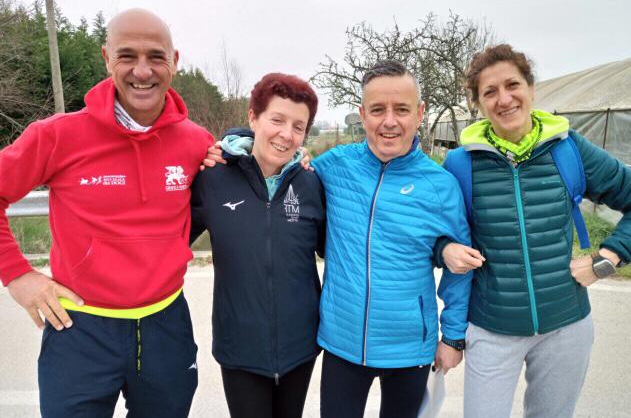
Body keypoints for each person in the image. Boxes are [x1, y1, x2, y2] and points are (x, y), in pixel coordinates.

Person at [0, 8, 214, 417]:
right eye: (127, 56)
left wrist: (296, 161)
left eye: (156, 57)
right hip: (79, 329)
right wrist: (17, 274)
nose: (142, 71)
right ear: (106, 58)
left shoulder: (196, 142)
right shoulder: (57, 135)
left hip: (166, 327)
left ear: (174, 61)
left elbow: (245, 180)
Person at [442, 44, 631, 418]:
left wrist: (607, 258)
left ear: (530, 87)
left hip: (566, 327)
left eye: (512, 85)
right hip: (491, 330)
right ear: (478, 103)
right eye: (490, 92)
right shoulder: (460, 164)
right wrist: (445, 248)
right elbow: (437, 234)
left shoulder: (568, 149)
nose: (504, 99)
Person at [312, 60, 477, 418]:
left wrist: (453, 337)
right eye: (377, 110)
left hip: (410, 349)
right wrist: (233, 147)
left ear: (419, 113)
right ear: (362, 115)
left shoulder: (440, 185)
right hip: (342, 343)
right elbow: (282, 165)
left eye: (401, 109)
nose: (389, 121)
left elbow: (462, 268)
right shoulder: (334, 166)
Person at [189, 73, 325, 418]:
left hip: (300, 346)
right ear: (253, 117)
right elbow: (166, 240)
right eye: (277, 120)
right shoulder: (212, 177)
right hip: (239, 347)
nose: (286, 134)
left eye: (298, 126)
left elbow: (334, 250)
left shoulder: (311, 183)